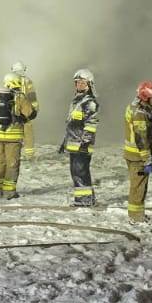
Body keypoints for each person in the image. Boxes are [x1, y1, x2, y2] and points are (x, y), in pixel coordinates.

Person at [0, 72, 37, 199]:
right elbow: (31, 113)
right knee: (12, 164)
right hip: (13, 138)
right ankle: (9, 192)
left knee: (0, 163)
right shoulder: (19, 97)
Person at [122, 81, 152, 223]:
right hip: (138, 157)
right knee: (138, 187)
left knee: (138, 185)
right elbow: (141, 138)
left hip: (133, 155)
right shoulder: (140, 113)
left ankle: (137, 214)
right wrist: (147, 159)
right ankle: (136, 217)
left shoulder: (136, 107)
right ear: (145, 97)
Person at [63, 68, 101, 207]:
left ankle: (85, 200)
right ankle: (83, 199)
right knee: (76, 172)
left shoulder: (89, 102)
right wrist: (65, 142)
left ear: (89, 85)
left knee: (81, 172)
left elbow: (91, 124)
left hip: (82, 145)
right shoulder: (77, 101)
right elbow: (71, 124)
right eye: (77, 82)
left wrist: (85, 142)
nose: (79, 85)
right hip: (74, 144)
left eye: (83, 83)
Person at [12, 61, 40, 162]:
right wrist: (35, 109)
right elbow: (32, 96)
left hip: (14, 110)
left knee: (14, 132)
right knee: (27, 132)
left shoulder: (9, 80)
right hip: (25, 109)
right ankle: (29, 155)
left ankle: (14, 154)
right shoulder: (28, 81)